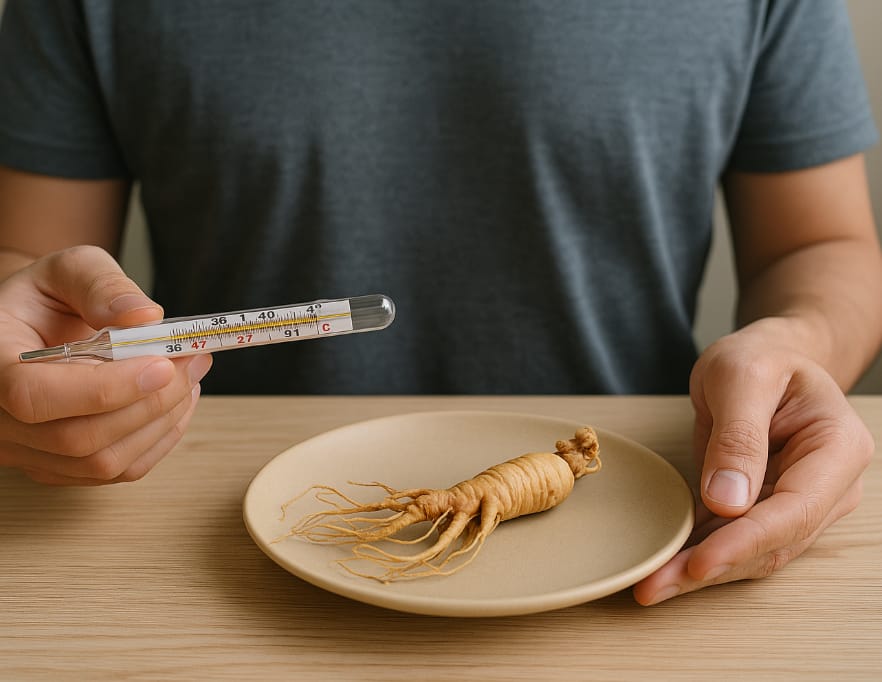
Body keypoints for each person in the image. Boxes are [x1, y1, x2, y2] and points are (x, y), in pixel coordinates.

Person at [0, 1, 879, 606]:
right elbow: (32, 272)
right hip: (210, 547)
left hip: (652, 540)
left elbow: (823, 247)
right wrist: (21, 364)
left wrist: (798, 344)